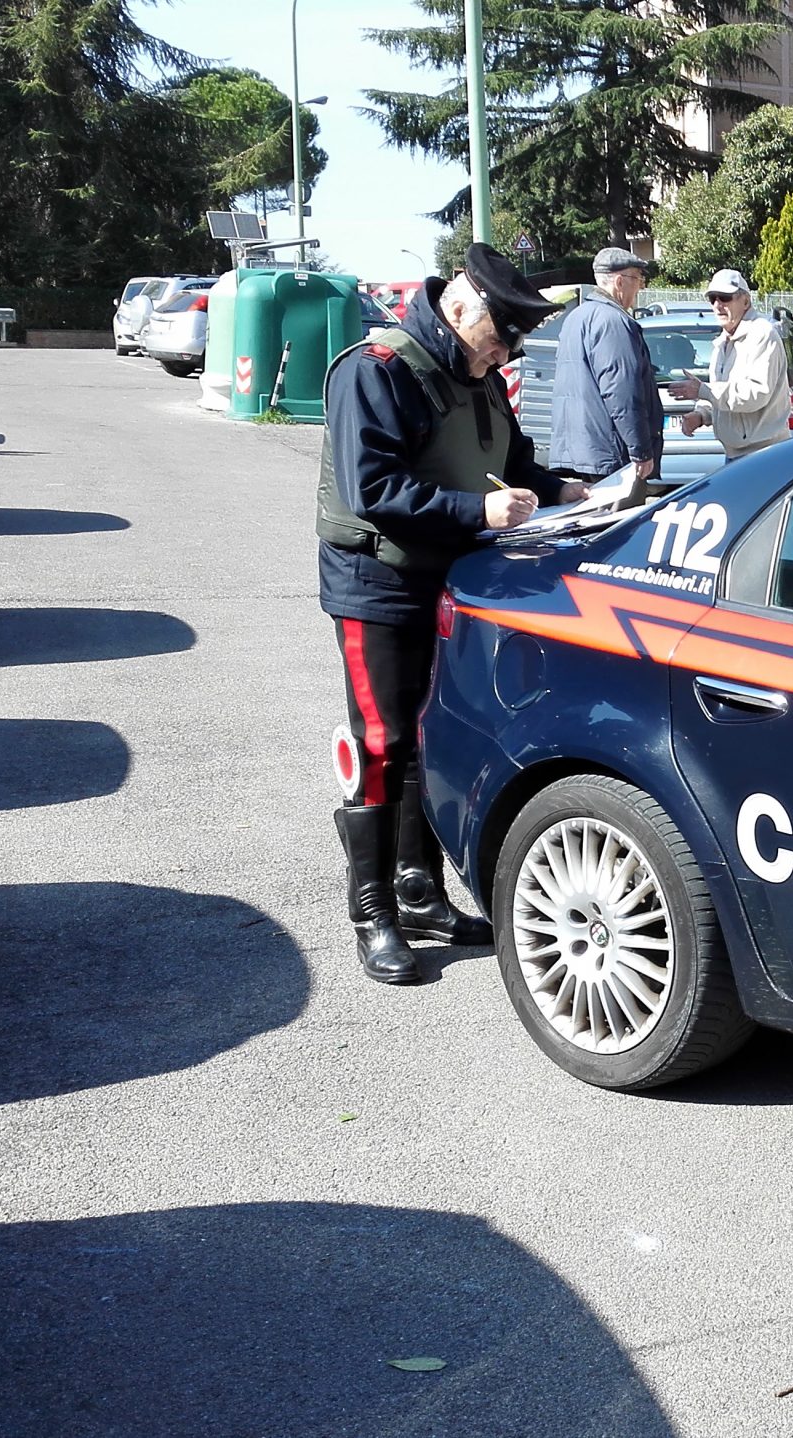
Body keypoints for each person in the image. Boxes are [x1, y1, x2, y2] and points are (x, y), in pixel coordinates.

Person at [316, 243, 583, 985]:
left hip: (451, 580)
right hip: (378, 585)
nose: (506, 353)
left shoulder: (480, 375)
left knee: (427, 740)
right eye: (500, 337)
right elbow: (373, 490)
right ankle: (372, 912)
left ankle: (420, 892)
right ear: (459, 307)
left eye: (512, 343)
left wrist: (565, 491)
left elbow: (510, 462)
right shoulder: (376, 370)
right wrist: (478, 511)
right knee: (383, 742)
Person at [549, 246, 661, 487]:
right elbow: (622, 392)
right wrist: (640, 450)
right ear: (620, 282)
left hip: (577, 451)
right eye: (637, 279)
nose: (640, 287)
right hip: (609, 456)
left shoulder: (576, 317)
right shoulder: (614, 322)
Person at [673, 269, 791, 459]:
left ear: (745, 301)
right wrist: (702, 415)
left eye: (725, 297)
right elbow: (725, 399)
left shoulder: (762, 335)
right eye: (712, 298)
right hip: (737, 454)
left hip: (764, 455)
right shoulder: (723, 340)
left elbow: (756, 394)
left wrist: (704, 391)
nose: (717, 305)